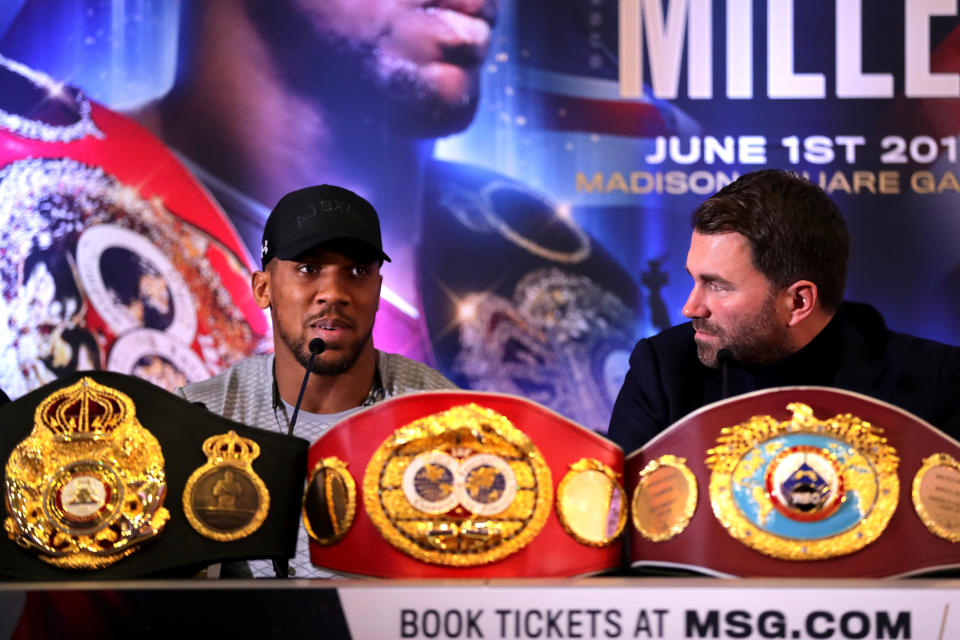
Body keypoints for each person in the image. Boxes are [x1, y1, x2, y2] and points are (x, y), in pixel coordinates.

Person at [179, 184, 456, 578]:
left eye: (357, 271)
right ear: (263, 288)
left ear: (377, 291)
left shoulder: (446, 416)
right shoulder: (200, 416)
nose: (334, 293)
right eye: (309, 269)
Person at [608, 169, 960, 453]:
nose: (689, 307)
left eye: (717, 285)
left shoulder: (937, 383)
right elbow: (618, 527)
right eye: (694, 280)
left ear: (798, 303)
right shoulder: (661, 369)